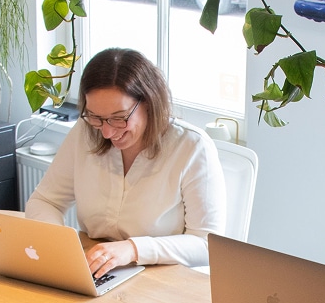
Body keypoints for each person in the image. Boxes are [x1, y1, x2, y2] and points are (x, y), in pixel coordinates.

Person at [25, 48, 226, 275]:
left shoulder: (192, 146)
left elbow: (207, 245)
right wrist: (59, 244)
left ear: (149, 102)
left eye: (119, 118)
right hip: (96, 271)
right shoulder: (85, 132)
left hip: (161, 280)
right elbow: (44, 201)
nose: (108, 132)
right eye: (96, 117)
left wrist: (132, 249)